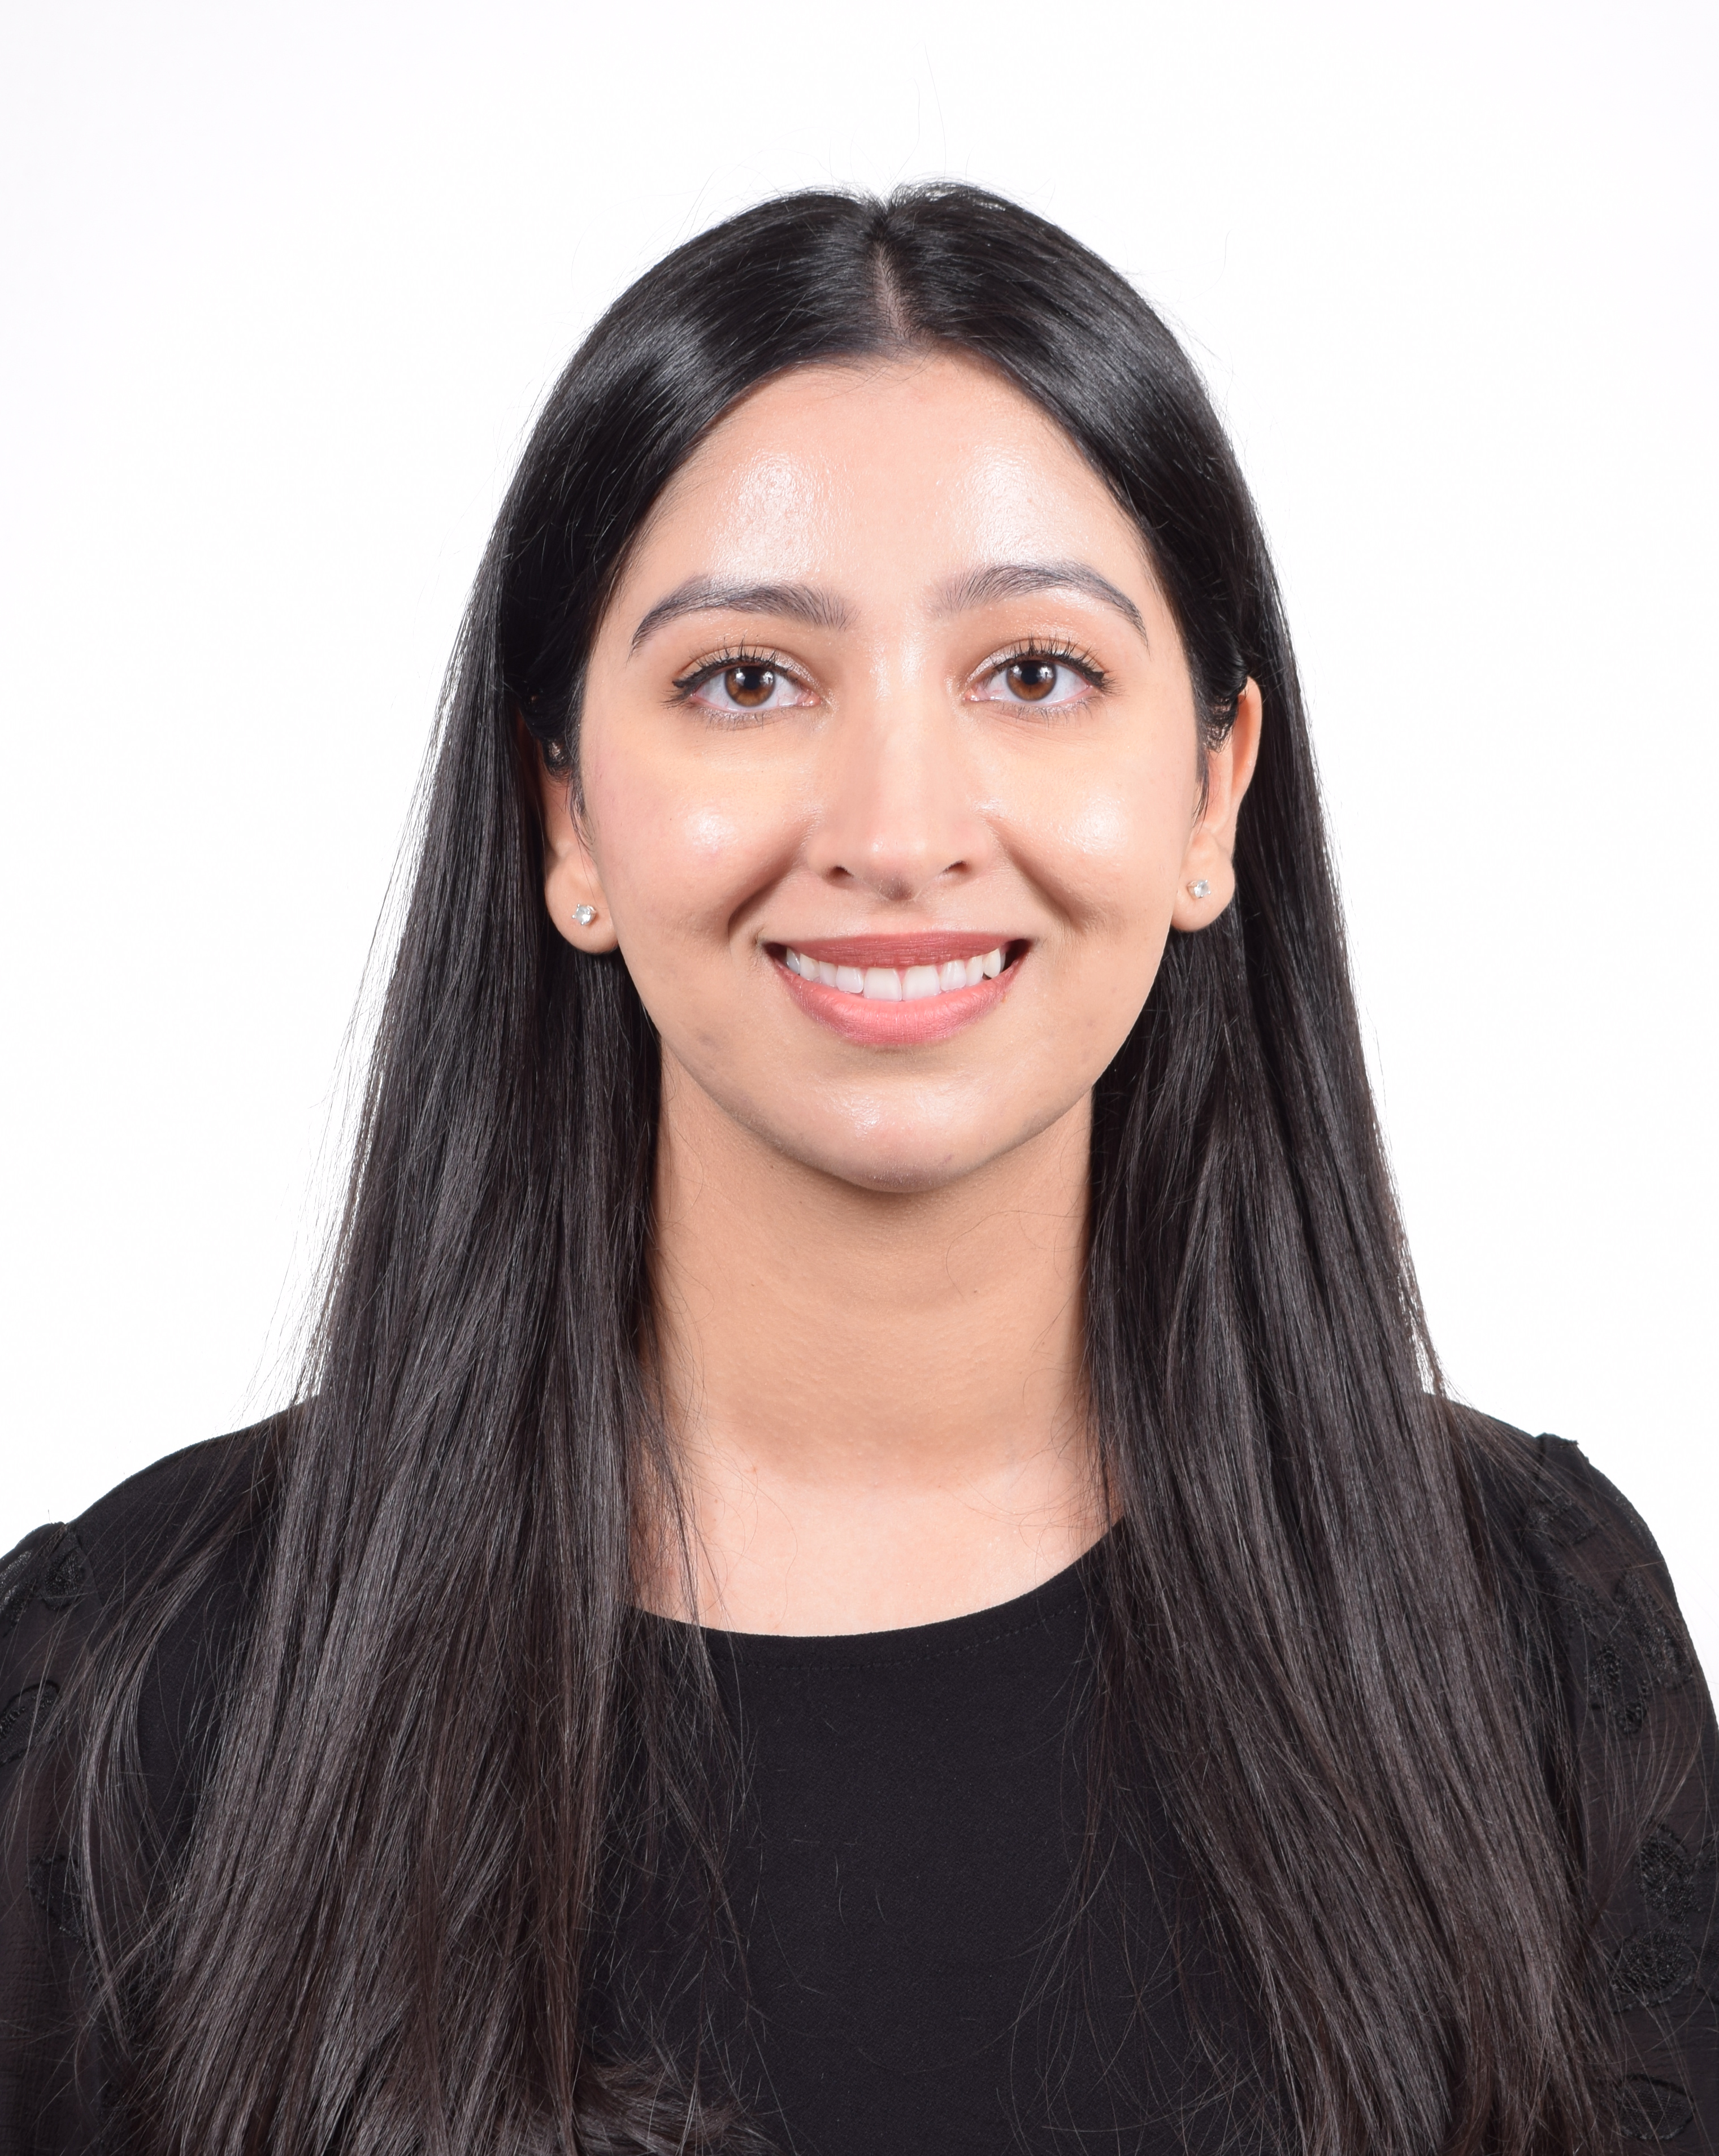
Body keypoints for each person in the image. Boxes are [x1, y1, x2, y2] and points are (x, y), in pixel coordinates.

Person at [1, 182, 1713, 2156]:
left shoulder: (1525, 1630)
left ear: (1212, 791)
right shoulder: (137, 1686)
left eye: (1033, 673)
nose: (897, 833)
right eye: (746, 679)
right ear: (563, 813)